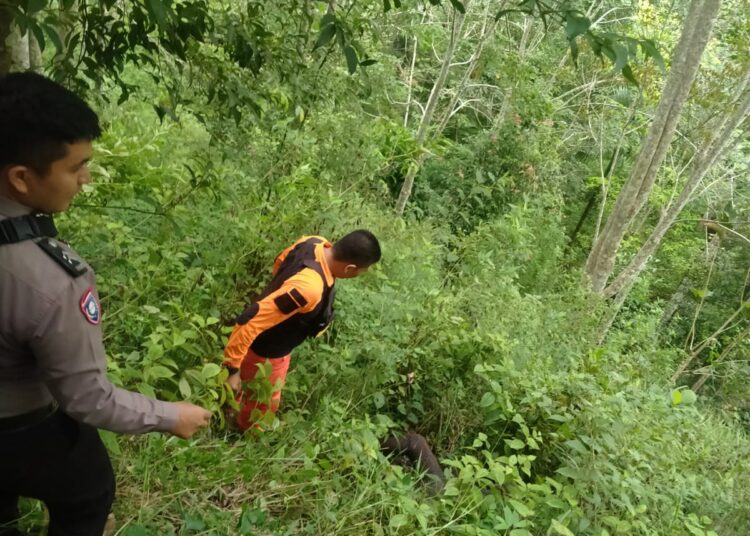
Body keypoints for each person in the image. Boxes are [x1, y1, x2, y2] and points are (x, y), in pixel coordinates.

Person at [0, 72, 212, 536]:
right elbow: (87, 399)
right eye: (75, 167)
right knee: (90, 488)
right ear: (21, 177)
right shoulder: (51, 280)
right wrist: (170, 415)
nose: (85, 179)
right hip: (16, 429)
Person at [223, 231, 381, 430]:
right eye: (361, 271)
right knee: (262, 406)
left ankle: (228, 408)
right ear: (349, 268)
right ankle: (245, 437)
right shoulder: (309, 288)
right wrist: (232, 370)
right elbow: (250, 320)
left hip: (271, 343)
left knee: (244, 390)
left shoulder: (315, 242)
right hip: (267, 353)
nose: (359, 275)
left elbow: (280, 263)